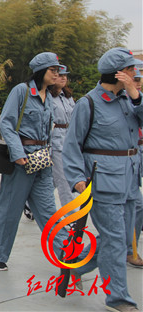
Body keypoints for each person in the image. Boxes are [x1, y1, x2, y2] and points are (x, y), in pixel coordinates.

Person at [63, 48, 143, 312]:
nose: (137, 73)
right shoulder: (89, 103)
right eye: (132, 70)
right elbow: (72, 144)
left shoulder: (129, 100)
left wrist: (135, 95)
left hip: (130, 180)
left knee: (118, 239)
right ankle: (118, 298)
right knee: (116, 239)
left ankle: (73, 266)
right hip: (104, 181)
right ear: (119, 73)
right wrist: (76, 178)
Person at [0, 52, 66, 271]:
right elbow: (8, 123)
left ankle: (66, 256)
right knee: (10, 209)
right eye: (53, 70)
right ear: (41, 71)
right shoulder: (21, 91)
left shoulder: (49, 96)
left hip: (42, 161)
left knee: (49, 211)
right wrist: (18, 153)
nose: (57, 74)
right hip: (21, 161)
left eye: (58, 71)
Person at [49, 65, 76, 208]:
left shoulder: (68, 97)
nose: (63, 78)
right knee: (64, 180)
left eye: (65, 75)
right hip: (56, 141)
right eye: (60, 75)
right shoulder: (48, 97)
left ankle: (30, 203)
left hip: (69, 139)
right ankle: (71, 217)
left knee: (54, 179)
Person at [127, 68, 143, 267]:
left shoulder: (138, 100)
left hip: (137, 154)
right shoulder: (119, 100)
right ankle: (130, 251)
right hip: (123, 159)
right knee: (136, 205)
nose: (136, 83)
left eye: (138, 79)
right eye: (134, 79)